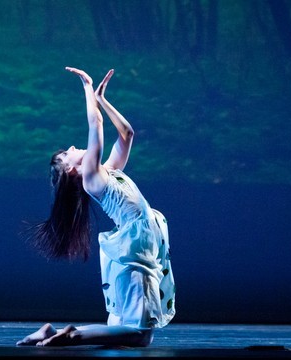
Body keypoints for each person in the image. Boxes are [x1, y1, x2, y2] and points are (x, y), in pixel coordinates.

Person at [17, 67, 175, 347]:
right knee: (139, 335)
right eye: (67, 154)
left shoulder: (107, 171)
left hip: (140, 241)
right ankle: (71, 335)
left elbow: (127, 134)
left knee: (128, 331)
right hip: (135, 246)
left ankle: (53, 333)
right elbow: (96, 127)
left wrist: (103, 99)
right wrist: (87, 86)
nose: (72, 146)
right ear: (71, 171)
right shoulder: (91, 177)